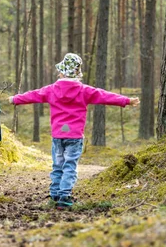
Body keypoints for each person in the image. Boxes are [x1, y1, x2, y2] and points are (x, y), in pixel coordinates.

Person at [9, 53, 140, 209]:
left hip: (58, 135)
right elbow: (105, 96)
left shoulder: (51, 89)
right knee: (70, 165)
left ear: (63, 72)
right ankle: (64, 196)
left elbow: (34, 95)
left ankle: (55, 193)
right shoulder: (84, 90)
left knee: (58, 165)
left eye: (60, 71)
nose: (58, 73)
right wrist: (127, 100)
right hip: (75, 136)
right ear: (77, 73)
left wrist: (14, 99)